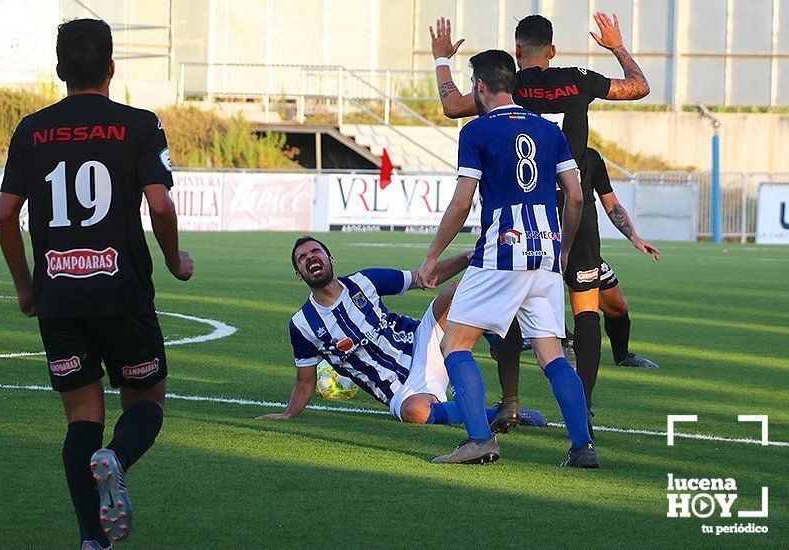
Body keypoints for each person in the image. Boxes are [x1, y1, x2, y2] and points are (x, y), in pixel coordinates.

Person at [0, 19, 193, 550]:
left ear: (60, 71)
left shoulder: (30, 130)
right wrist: (175, 260)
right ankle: (118, 458)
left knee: (81, 418)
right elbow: (160, 203)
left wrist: (25, 287)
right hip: (122, 293)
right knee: (146, 403)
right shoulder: (139, 124)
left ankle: (91, 541)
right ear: (111, 67)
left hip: (59, 297)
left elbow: (5, 215)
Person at [429, 13, 650, 433]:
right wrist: (616, 46)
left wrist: (441, 59)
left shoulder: (509, 87)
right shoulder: (579, 79)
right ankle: (581, 412)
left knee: (507, 310)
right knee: (585, 306)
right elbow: (639, 87)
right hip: (572, 200)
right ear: (552, 51)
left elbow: (451, 106)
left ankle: (510, 401)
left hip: (522, 208)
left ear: (516, 51)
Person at [417, 50, 596, 467]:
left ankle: (480, 440)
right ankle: (582, 447)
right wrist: (564, 246)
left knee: (455, 343)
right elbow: (574, 195)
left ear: (480, 86)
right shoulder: (549, 130)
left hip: (502, 252)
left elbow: (463, 202)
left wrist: (432, 257)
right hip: (545, 252)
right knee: (550, 353)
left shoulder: (477, 131)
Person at [258, 236, 547, 427]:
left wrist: (469, 256)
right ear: (299, 274)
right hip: (398, 389)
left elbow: (424, 279)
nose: (310, 258)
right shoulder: (303, 325)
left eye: (315, 251)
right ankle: (500, 414)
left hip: (422, 341)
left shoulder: (364, 282)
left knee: (458, 292)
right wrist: (287, 413)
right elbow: (306, 383)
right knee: (415, 413)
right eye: (302, 258)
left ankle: (500, 339)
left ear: (331, 259)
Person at [584, 148, 660, 368]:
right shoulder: (539, 151)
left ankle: (622, 355)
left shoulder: (591, 158)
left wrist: (634, 237)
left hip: (584, 248)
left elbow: (612, 204)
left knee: (617, 307)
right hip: (543, 243)